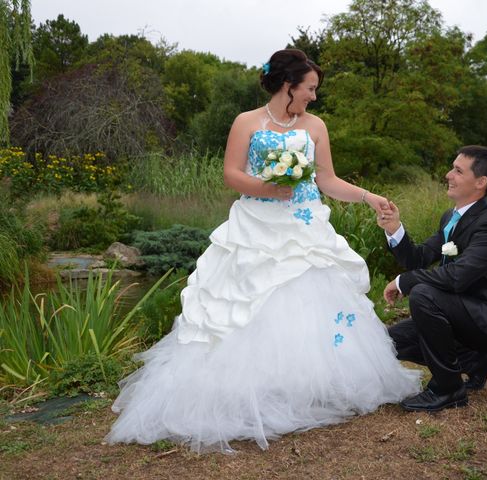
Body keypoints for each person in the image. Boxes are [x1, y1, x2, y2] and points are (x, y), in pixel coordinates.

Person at [106, 49, 421, 453]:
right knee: (250, 306)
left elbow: (326, 179)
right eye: (310, 88)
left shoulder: (316, 126)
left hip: (305, 226)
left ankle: (309, 385)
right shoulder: (246, 122)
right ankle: (253, 390)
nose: (314, 96)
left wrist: (368, 196)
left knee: (311, 303)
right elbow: (232, 174)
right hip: (257, 224)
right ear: (288, 85)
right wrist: (268, 188)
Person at [377, 145, 487, 412]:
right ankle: (476, 360)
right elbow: (419, 257)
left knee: (423, 293)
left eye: (458, 171)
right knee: (388, 343)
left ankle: (448, 388)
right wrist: (394, 229)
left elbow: (457, 277)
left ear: (480, 182)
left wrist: (405, 282)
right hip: (460, 314)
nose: (448, 175)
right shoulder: (451, 218)